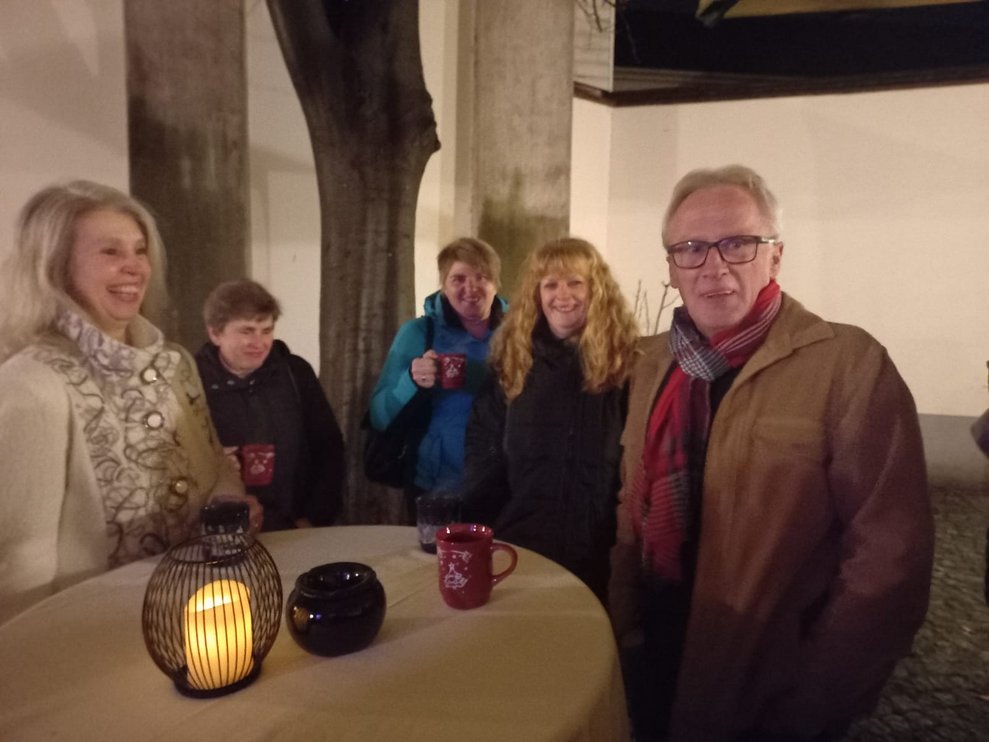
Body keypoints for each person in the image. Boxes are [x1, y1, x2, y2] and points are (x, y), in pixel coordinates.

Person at [610, 165, 935, 741]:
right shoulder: (651, 363)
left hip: (766, 687)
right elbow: (630, 503)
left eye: (737, 243)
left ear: (775, 256)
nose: (714, 267)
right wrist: (621, 624)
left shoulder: (847, 366)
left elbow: (890, 558)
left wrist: (814, 699)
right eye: (691, 248)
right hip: (652, 655)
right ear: (671, 268)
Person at [0, 180, 259, 625]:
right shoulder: (31, 384)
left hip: (198, 611)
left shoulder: (175, 363)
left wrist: (228, 504)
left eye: (140, 251)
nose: (134, 267)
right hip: (92, 631)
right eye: (110, 252)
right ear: (55, 266)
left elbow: (215, 463)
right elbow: (20, 564)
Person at [462, 237, 639, 603]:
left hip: (599, 554)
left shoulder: (625, 367)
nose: (563, 295)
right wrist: (482, 531)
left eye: (575, 282)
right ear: (536, 294)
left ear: (597, 291)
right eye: (551, 284)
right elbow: (484, 455)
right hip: (519, 547)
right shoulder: (513, 363)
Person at [368, 237, 507, 517]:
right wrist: (411, 382)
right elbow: (378, 416)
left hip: (504, 484)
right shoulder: (418, 333)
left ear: (496, 283)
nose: (471, 288)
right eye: (458, 279)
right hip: (434, 485)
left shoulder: (519, 333)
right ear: (443, 285)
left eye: (482, 277)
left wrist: (475, 376)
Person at [195, 279, 344, 530]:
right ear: (215, 334)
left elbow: (328, 447)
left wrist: (314, 517)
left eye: (266, 331)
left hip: (294, 527)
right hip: (223, 533)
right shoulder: (192, 382)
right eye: (247, 331)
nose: (259, 342)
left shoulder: (295, 373)